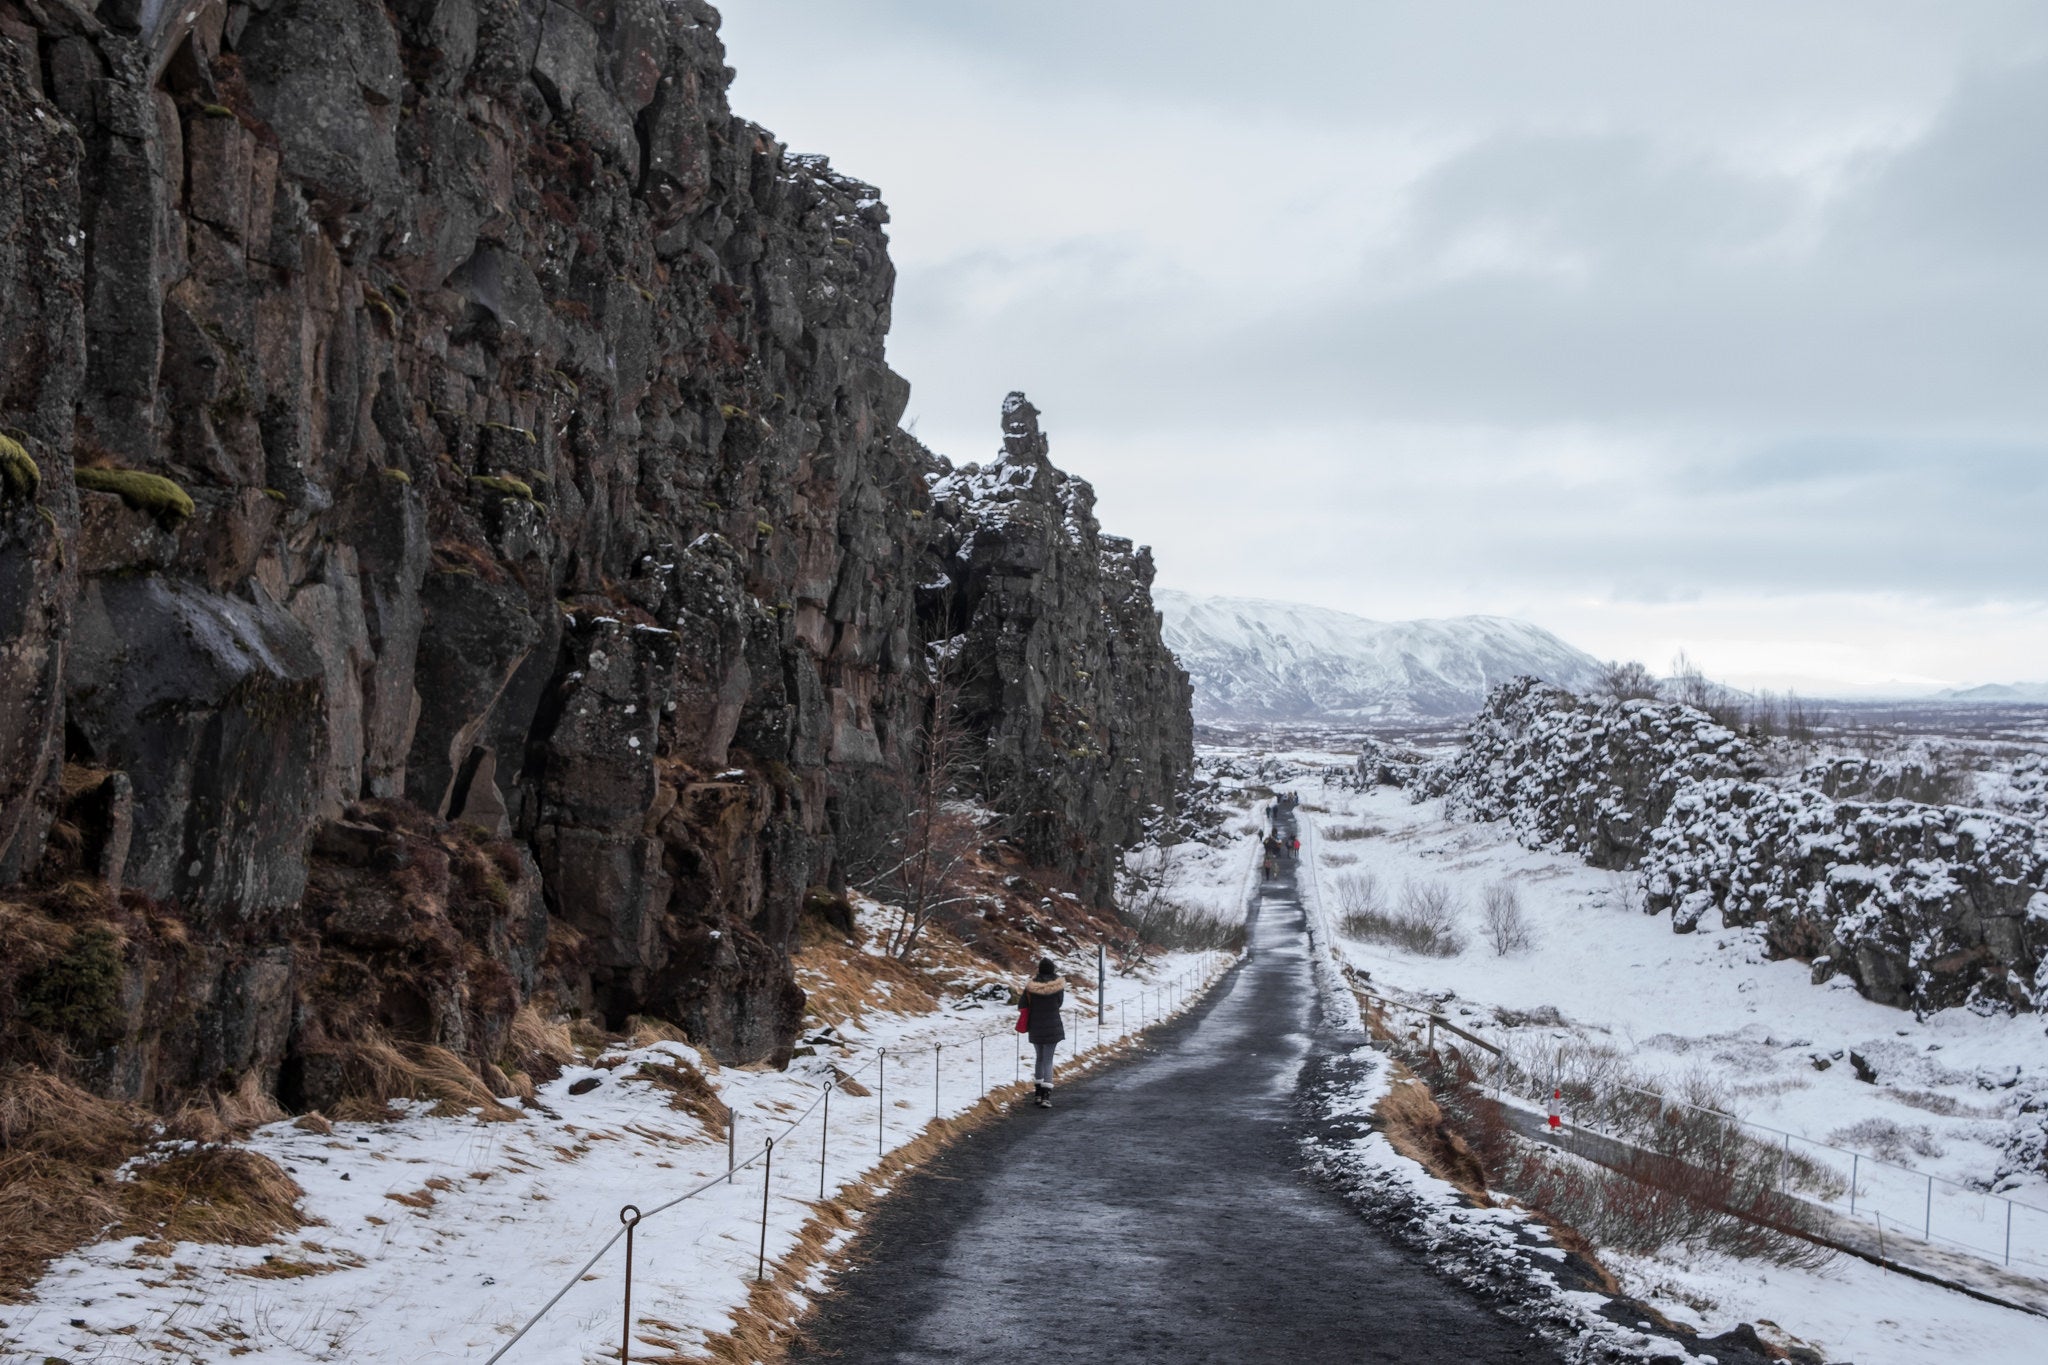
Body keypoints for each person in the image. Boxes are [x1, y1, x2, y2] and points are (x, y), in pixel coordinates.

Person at [1019, 957, 1066, 1109]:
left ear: (1039, 969)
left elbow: (1022, 1004)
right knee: (1048, 1060)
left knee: (1039, 1058)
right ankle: (1046, 1095)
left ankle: (1038, 1093)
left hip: (1035, 1025)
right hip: (1053, 1026)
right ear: (1053, 970)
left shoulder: (1031, 986)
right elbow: (1059, 1003)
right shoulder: (1058, 986)